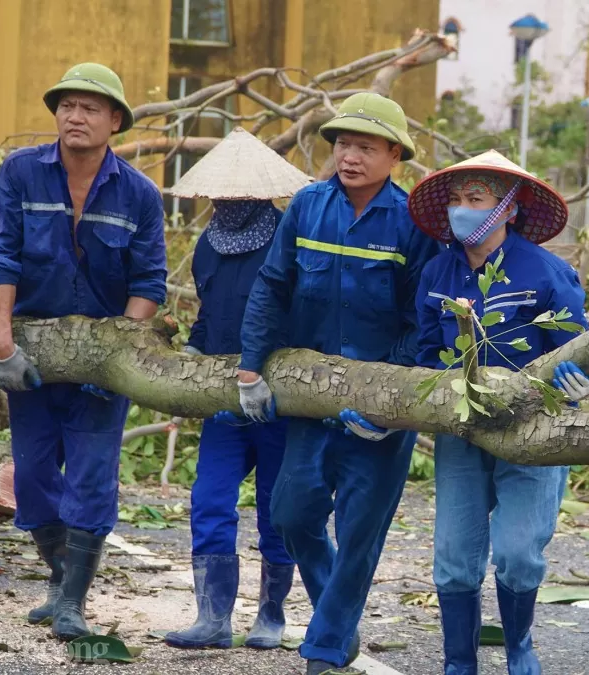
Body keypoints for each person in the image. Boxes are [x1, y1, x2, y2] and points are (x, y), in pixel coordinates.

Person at [235, 93, 440, 675]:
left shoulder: (413, 225)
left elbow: (421, 320)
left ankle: (324, 649)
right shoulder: (307, 206)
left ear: (394, 155)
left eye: (366, 147)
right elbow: (272, 286)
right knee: (291, 513)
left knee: (359, 533)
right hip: (308, 399)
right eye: (344, 144)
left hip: (380, 409)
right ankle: (336, 614)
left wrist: (386, 396)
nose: (350, 156)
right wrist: (251, 367)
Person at [0, 62, 167, 640]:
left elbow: (150, 283)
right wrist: (1, 341)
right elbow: (0, 254)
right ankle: (61, 578)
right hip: (33, 347)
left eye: (89, 108)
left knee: (90, 477)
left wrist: (117, 349)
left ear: (115, 121)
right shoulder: (21, 173)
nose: (74, 116)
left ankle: (72, 603)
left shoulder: (138, 193)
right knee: (33, 475)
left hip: (104, 356)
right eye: (66, 105)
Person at [405, 150, 589, 674]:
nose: (461, 209)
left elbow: (579, 347)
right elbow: (425, 356)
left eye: (475, 199)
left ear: (508, 210)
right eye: (455, 199)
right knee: (452, 556)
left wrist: (580, 379)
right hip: (462, 430)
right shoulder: (436, 273)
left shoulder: (546, 273)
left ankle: (519, 645)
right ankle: (458, 661)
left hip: (534, 429)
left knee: (517, 553)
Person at [159, 128, 313, 649]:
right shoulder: (208, 244)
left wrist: (273, 376)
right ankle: (213, 617)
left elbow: (298, 318)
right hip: (223, 398)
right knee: (209, 499)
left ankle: (271, 615)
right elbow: (207, 316)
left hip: (276, 399)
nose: (227, 203)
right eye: (219, 195)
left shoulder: (287, 241)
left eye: (238, 195)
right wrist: (191, 366)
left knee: (276, 508)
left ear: (260, 194)